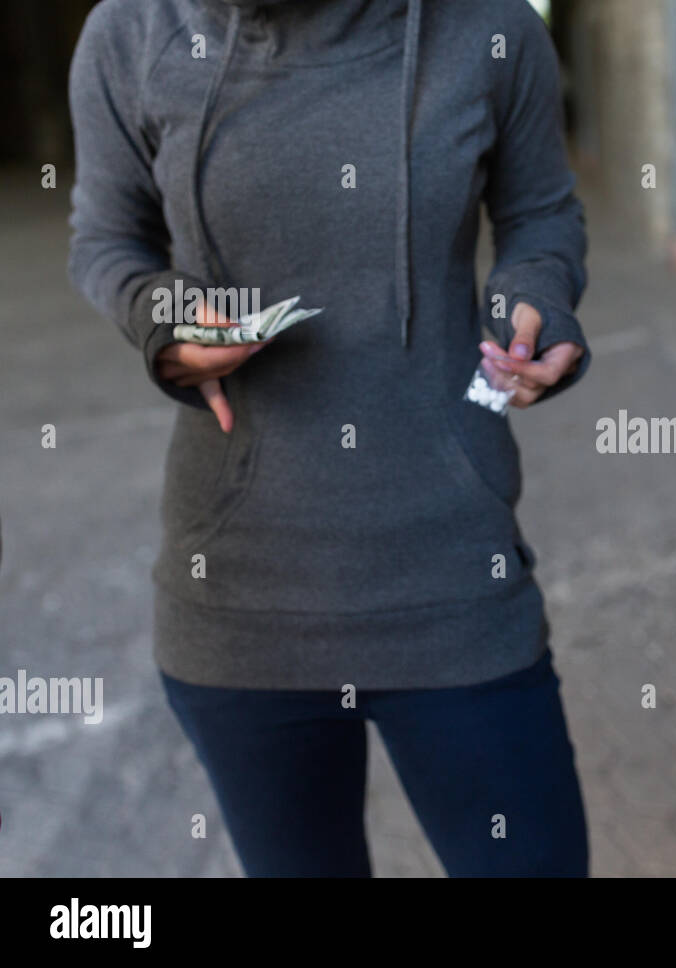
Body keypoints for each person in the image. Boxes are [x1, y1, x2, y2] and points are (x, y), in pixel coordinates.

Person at [69, 0, 591, 876]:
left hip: (455, 582)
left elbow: (541, 212)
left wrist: (530, 306)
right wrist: (162, 317)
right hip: (239, 604)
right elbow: (105, 238)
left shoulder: (489, 29)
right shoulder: (131, 33)